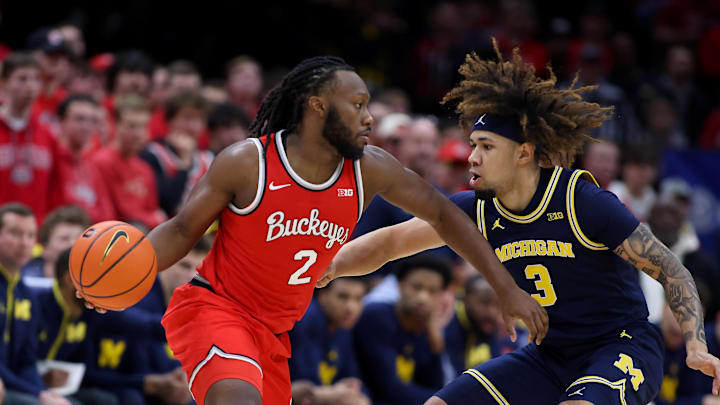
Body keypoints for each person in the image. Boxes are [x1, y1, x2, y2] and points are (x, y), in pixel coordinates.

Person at [80, 56, 547, 405]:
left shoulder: (370, 169)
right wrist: (125, 275)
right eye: (357, 105)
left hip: (276, 331)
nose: (369, 118)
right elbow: (181, 230)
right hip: (217, 308)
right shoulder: (248, 162)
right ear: (318, 107)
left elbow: (445, 217)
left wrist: (504, 287)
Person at [319, 42, 720, 404]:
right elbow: (390, 244)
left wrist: (696, 345)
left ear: (524, 153)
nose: (473, 158)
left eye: (487, 147)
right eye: (474, 146)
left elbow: (671, 270)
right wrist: (330, 266)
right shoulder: (474, 209)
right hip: (549, 356)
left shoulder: (582, 201)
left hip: (621, 346)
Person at [353, 254, 451, 404]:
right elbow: (390, 389)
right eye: (416, 287)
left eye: (432, 291)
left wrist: (435, 341)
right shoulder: (377, 317)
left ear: (441, 296)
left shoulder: (427, 329)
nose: (423, 298)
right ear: (399, 284)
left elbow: (435, 385)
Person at [0, 203, 70, 405]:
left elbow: (26, 361)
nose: (24, 243)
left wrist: (45, 393)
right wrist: (38, 394)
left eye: (31, 235)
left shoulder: (27, 294)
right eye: (15, 233)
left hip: (15, 385)